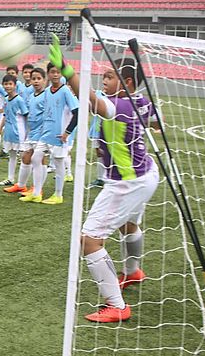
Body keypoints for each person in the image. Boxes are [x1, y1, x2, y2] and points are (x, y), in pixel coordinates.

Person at [50, 35, 158, 323]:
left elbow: (96, 103)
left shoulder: (118, 107)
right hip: (146, 173)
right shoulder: (142, 102)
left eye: (109, 77)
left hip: (126, 183)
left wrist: (68, 71)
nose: (104, 81)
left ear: (128, 82)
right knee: (129, 224)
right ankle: (133, 271)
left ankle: (116, 305)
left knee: (89, 241)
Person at [21, 63, 79, 205]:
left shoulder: (65, 91)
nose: (55, 74)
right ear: (48, 74)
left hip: (59, 135)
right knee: (35, 158)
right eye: (52, 72)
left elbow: (77, 113)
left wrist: (67, 132)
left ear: (61, 74)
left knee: (58, 164)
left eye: (58, 72)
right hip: (45, 134)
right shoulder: (47, 91)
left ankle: (58, 195)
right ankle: (36, 193)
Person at [9, 67, 47, 195]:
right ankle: (21, 185)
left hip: (42, 132)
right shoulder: (31, 96)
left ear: (44, 81)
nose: (36, 81)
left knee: (40, 159)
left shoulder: (46, 95)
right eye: (33, 79)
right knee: (26, 157)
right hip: (31, 132)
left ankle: (38, 188)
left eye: (39, 79)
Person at [0, 74, 29, 187]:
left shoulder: (19, 100)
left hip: (19, 131)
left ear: (15, 85)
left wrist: (28, 133)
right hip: (9, 131)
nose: (8, 86)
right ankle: (10, 178)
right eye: (6, 84)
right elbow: (5, 115)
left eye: (10, 84)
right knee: (12, 155)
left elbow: (26, 115)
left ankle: (23, 182)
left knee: (24, 156)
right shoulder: (6, 99)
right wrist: (0, 129)